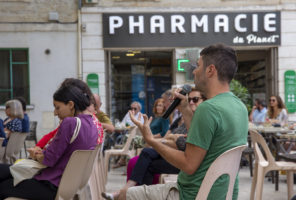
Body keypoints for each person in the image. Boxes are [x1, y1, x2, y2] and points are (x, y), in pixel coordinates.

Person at [124, 44, 248, 200]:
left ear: (210, 70)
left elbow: (189, 165)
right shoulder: (240, 107)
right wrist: (185, 109)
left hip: (192, 194)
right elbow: (202, 142)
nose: (194, 71)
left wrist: (151, 141)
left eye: (197, 66)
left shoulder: (209, 108)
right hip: (223, 194)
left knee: (126, 195)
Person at [0, 78, 98, 200]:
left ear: (71, 105)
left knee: (3, 185)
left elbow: (48, 160)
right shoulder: (93, 125)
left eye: (57, 107)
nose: (55, 113)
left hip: (49, 184)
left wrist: (37, 154)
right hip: (65, 186)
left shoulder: (70, 123)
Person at [102, 88, 205, 200]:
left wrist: (158, 140)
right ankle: (131, 192)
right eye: (189, 99)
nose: (190, 102)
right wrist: (168, 139)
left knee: (144, 154)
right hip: (169, 152)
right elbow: (171, 137)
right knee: (144, 161)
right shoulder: (181, 119)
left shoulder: (200, 119)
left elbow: (180, 143)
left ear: (205, 101)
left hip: (183, 162)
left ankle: (127, 191)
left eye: (195, 99)